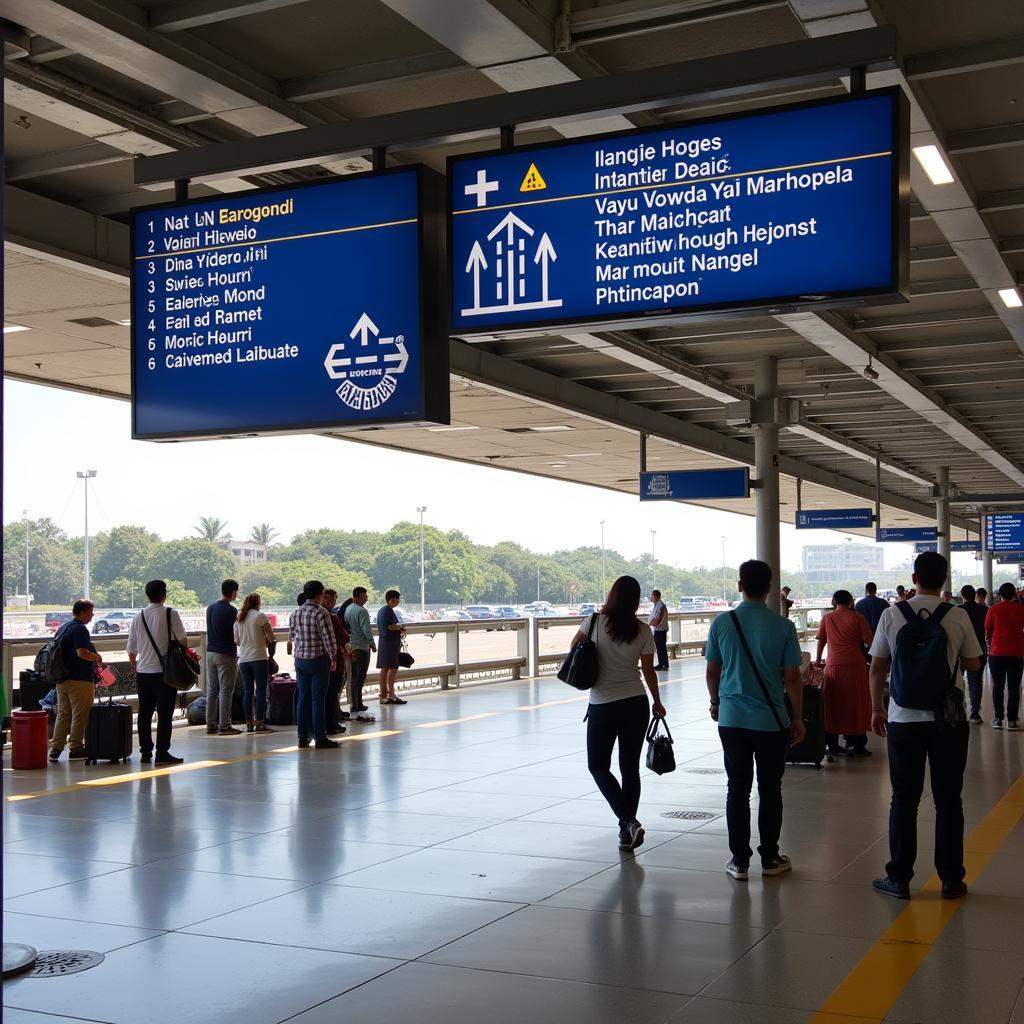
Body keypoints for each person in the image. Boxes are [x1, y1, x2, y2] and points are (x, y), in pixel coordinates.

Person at [869, 551, 980, 901]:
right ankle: (951, 880)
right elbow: (975, 664)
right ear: (944, 580)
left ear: (914, 577)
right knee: (949, 800)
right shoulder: (957, 615)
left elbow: (876, 668)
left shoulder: (892, 614)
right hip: (948, 720)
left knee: (904, 799)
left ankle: (899, 877)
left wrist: (876, 708)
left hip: (903, 718)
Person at [706, 559, 805, 881]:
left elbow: (712, 671)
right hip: (771, 721)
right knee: (770, 788)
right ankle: (770, 857)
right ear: (769, 588)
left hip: (732, 719)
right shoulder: (783, 627)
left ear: (739, 585)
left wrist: (716, 701)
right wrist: (798, 718)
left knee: (737, 788)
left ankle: (739, 861)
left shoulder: (722, 623)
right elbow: (792, 678)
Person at [569, 575, 665, 852]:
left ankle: (628, 822)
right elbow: (648, 671)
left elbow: (574, 648)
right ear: (636, 600)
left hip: (602, 704)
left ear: (611, 595)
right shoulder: (643, 630)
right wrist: (657, 702)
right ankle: (626, 832)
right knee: (629, 769)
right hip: (636, 703)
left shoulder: (594, 622)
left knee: (598, 766)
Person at [127, 579, 186, 765]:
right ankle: (162, 752)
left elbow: (131, 649)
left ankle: (145, 752)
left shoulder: (138, 616)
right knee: (165, 713)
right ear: (164, 594)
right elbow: (183, 640)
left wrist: (135, 666)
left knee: (144, 712)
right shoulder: (171, 613)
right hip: (165, 673)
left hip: (143, 672)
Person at [816, 590, 873, 758]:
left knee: (833, 704)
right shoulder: (857, 617)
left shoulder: (827, 619)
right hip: (855, 665)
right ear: (851, 601)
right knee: (857, 703)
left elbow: (821, 641)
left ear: (834, 601)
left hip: (833, 665)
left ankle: (832, 744)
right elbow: (870, 641)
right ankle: (857, 744)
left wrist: (819, 661)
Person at [48, 600, 102, 762]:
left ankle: (56, 749)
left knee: (64, 714)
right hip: (80, 679)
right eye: (91, 612)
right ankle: (76, 748)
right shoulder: (80, 629)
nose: (92, 615)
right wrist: (97, 657)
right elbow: (82, 653)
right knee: (80, 714)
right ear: (83, 612)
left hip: (62, 678)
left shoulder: (63, 628)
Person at [288, 580, 338, 749]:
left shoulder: (295, 613)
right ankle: (320, 737)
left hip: (300, 660)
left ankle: (302, 737)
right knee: (318, 700)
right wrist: (334, 658)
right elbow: (329, 639)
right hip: (318, 660)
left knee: (303, 698)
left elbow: (293, 636)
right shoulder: (321, 613)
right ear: (320, 594)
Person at [234, 592, 275, 733]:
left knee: (248, 692)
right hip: (259, 658)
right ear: (257, 603)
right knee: (261, 690)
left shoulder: (239, 618)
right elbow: (271, 636)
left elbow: (237, 641)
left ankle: (249, 723)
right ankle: (259, 723)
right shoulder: (260, 616)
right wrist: (264, 639)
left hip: (244, 660)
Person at [984, 582, 1024, 730]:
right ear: (1014, 594)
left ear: (999, 594)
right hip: (1016, 653)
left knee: (998, 687)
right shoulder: (1020, 610)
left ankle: (998, 718)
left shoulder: (993, 610)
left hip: (997, 653)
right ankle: (1012, 720)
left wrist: (990, 641)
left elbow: (987, 630)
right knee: (1014, 687)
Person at [206, 578, 241, 736]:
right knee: (226, 690)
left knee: (212, 690)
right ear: (233, 592)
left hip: (210, 652)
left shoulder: (210, 608)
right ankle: (225, 725)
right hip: (226, 654)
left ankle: (210, 724)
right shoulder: (231, 611)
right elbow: (234, 634)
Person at [344, 587, 377, 722]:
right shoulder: (362, 611)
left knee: (353, 676)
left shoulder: (348, 609)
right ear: (356, 597)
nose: (366, 598)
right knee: (360, 676)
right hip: (362, 646)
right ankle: (356, 704)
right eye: (364, 596)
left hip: (351, 645)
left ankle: (355, 703)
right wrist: (372, 643)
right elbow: (366, 629)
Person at [320, 588, 351, 733]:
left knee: (319, 696)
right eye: (333, 599)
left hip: (312, 660)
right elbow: (343, 636)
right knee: (332, 693)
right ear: (324, 598)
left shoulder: (300, 613)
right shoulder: (330, 617)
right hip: (333, 660)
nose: (334, 602)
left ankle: (318, 726)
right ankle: (331, 723)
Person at [959, 585, 988, 724]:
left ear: (962, 595)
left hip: (959, 652)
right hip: (979, 650)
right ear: (975, 595)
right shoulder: (984, 610)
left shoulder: (957, 611)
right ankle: (975, 713)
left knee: (956, 681)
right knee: (976, 681)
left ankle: (958, 710)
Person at [376, 590, 407, 705]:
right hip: (389, 643)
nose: (398, 601)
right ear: (392, 599)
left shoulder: (385, 610)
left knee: (388, 668)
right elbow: (390, 627)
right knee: (388, 668)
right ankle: (385, 694)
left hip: (389, 642)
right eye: (397, 599)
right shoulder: (387, 611)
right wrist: (400, 627)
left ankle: (389, 694)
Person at [649, 589, 669, 671]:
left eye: (652, 596)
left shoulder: (660, 605)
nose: (651, 597)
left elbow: (658, 618)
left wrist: (651, 623)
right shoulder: (658, 604)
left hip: (660, 630)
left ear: (656, 596)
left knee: (661, 648)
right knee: (661, 648)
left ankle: (663, 664)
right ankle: (663, 663)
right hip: (659, 629)